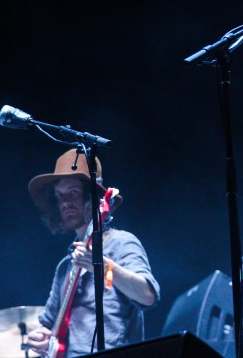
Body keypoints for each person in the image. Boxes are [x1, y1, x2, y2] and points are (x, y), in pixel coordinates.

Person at [25, 148, 160, 357]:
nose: (65, 202)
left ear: (92, 197)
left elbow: (148, 296)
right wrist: (41, 338)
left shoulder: (121, 242)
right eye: (59, 196)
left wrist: (106, 267)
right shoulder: (65, 266)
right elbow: (48, 324)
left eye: (73, 192)